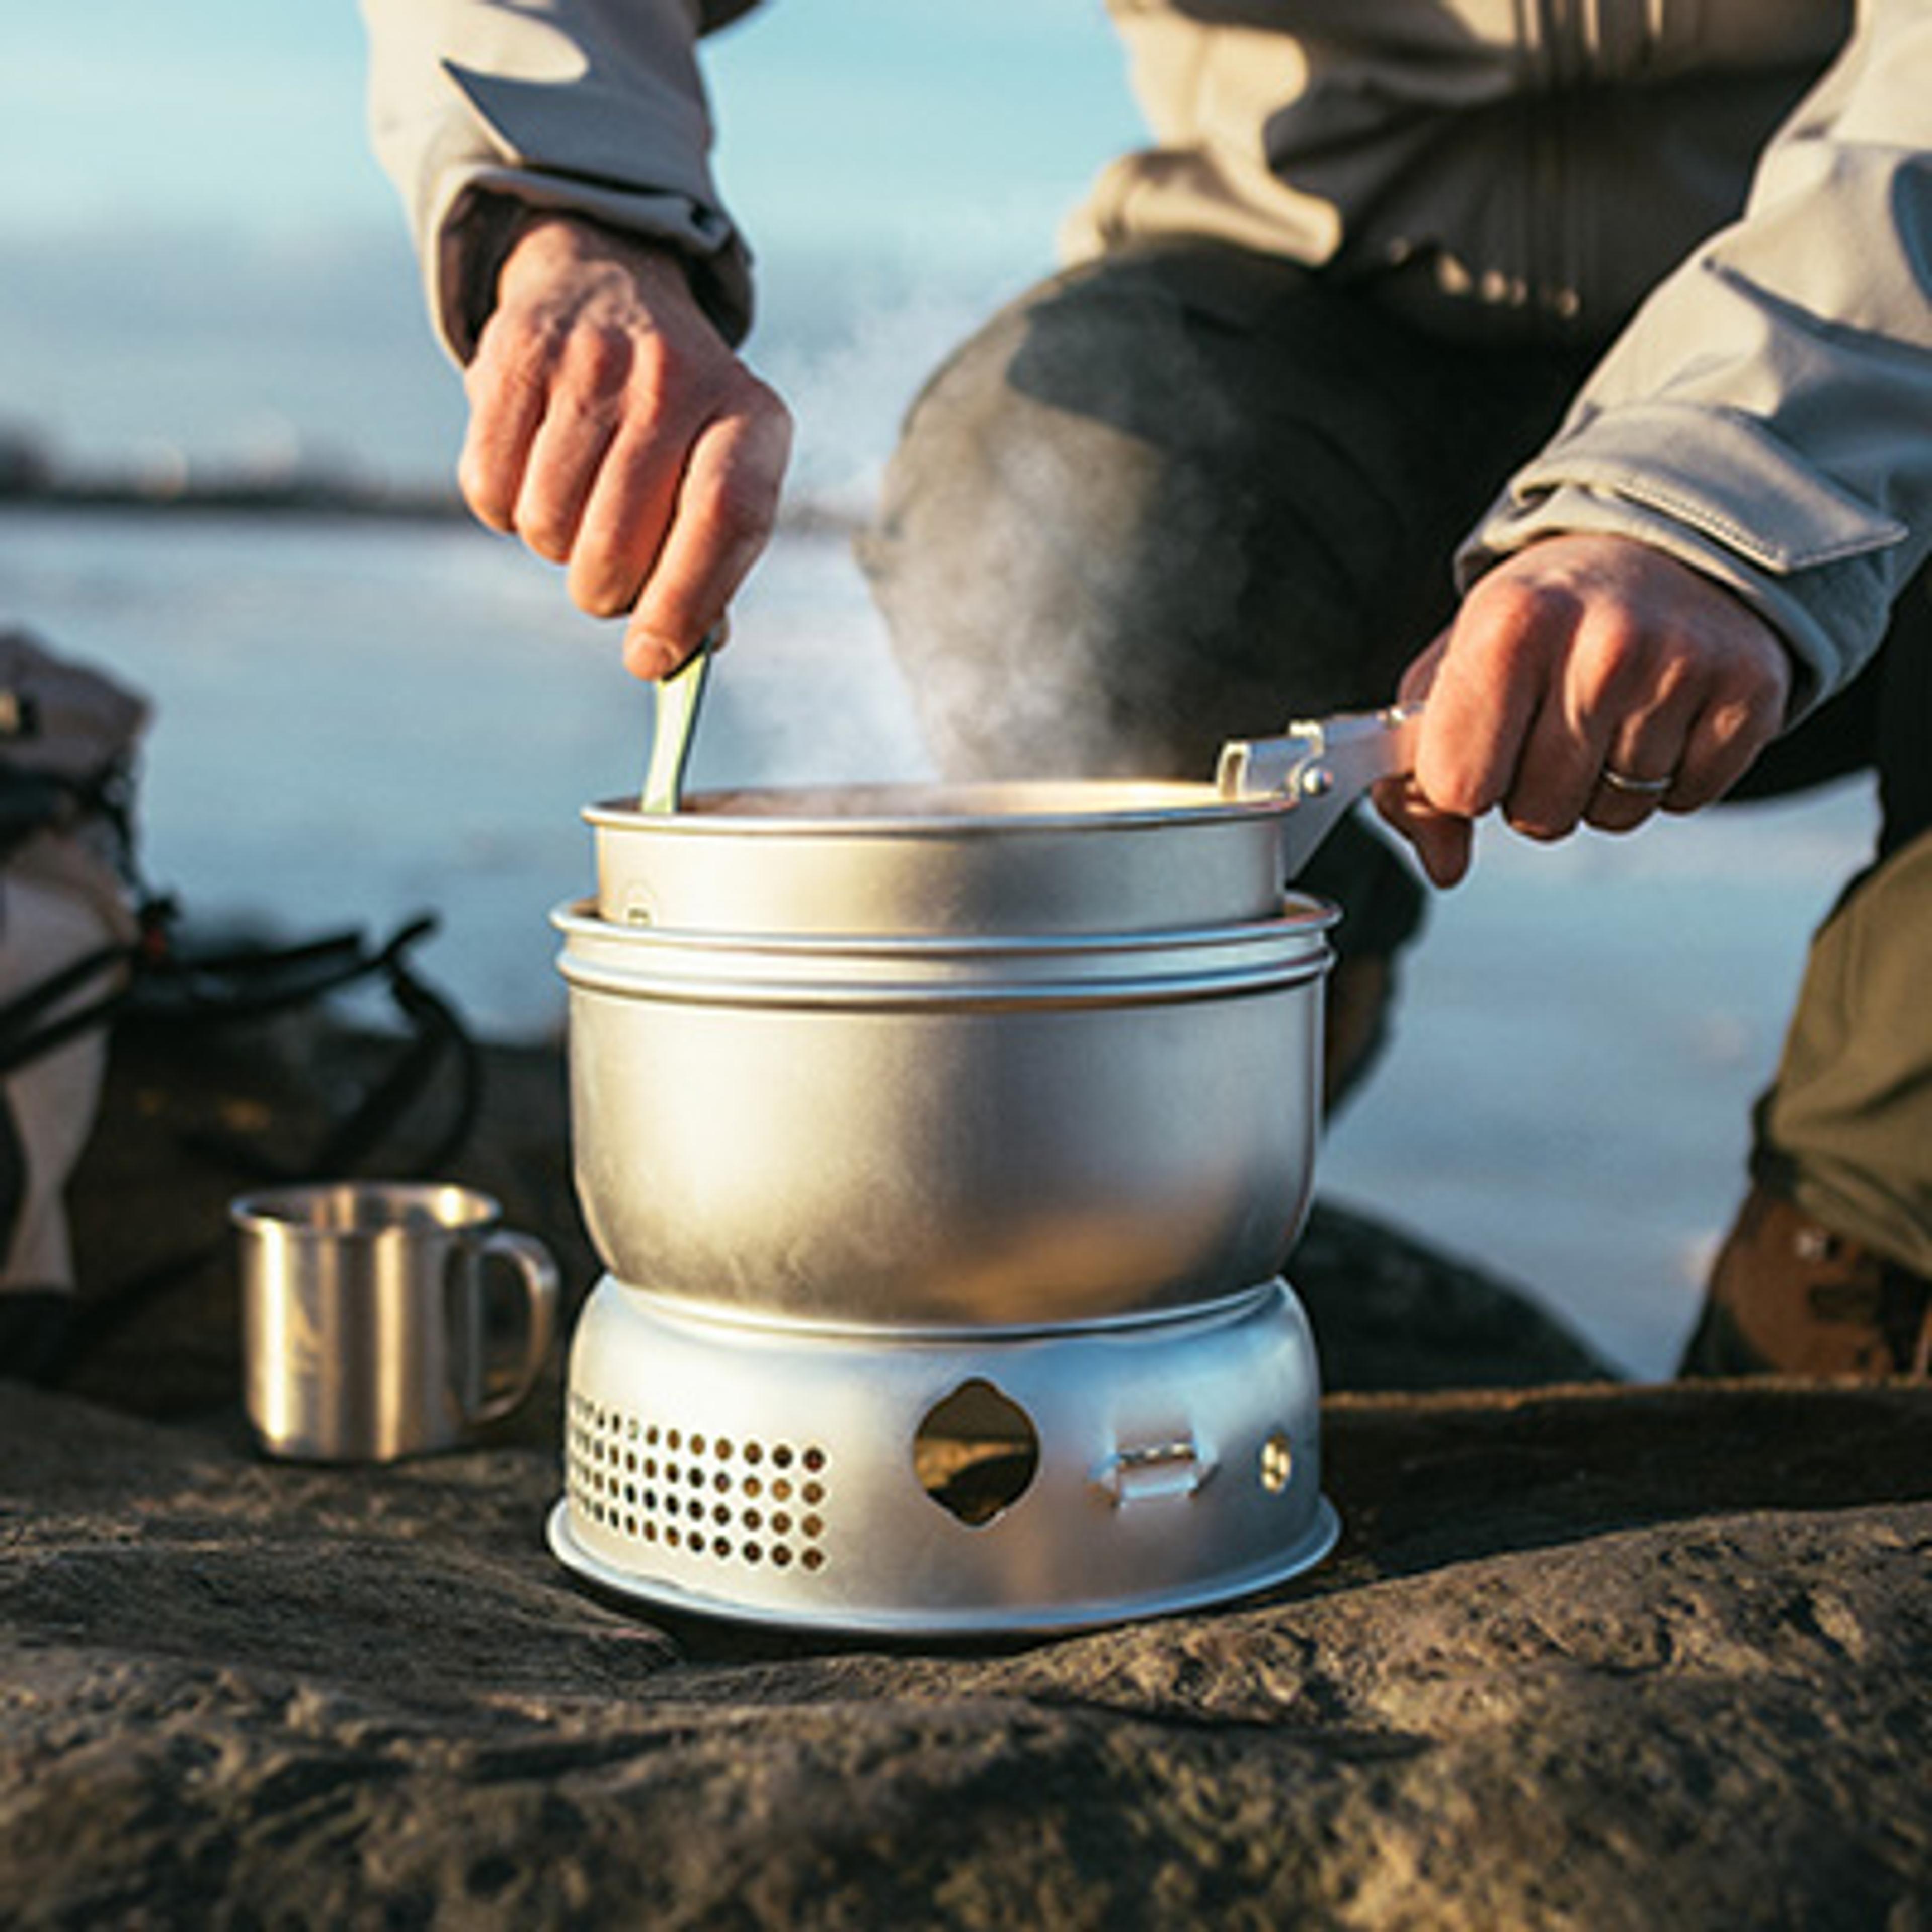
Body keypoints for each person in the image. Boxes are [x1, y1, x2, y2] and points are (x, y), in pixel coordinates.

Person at [360, 1, 1932, 1378]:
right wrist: (572, 211)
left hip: (1880, 371)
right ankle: (1159, 1219)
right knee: (1062, 481)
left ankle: (1859, 1274)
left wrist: (1724, 475)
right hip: (1305, 336)